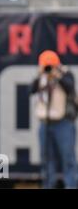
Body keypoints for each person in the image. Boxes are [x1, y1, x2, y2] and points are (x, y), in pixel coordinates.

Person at [30, 50, 78, 189]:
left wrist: (57, 75)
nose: (48, 69)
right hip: (45, 123)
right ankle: (48, 186)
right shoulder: (41, 77)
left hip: (63, 123)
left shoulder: (66, 74)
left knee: (68, 159)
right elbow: (31, 90)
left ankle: (71, 186)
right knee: (46, 160)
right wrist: (40, 75)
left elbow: (70, 88)